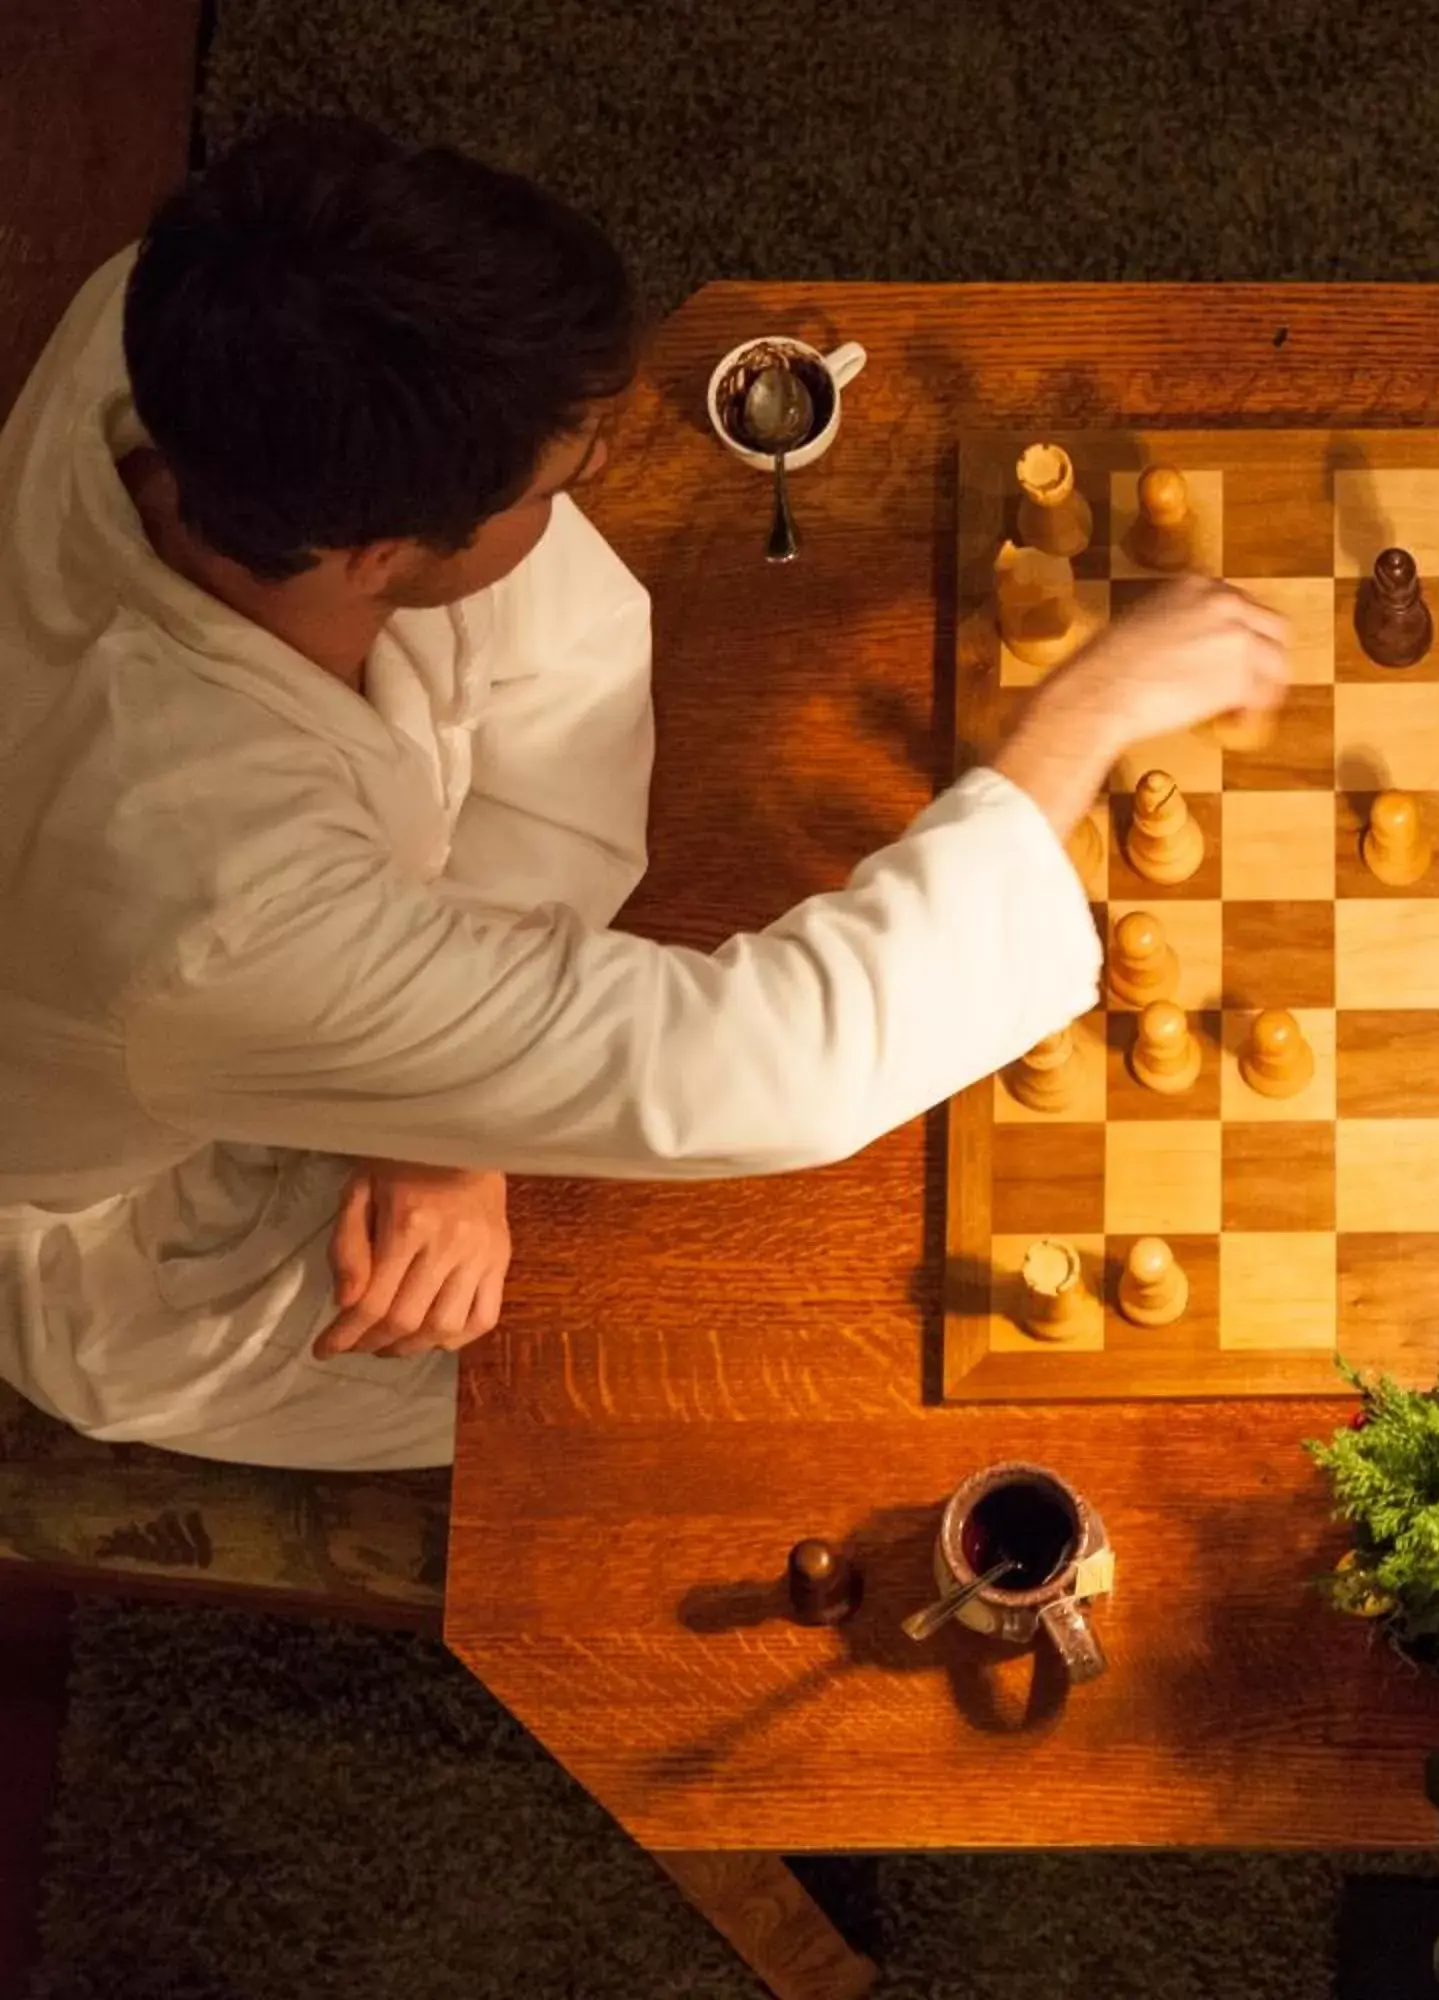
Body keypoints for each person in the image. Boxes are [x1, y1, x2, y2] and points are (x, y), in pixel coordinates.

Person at [0, 121, 1286, 1471]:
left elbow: (559, 656)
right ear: (379, 554)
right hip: (151, 1216)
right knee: (645, 1356)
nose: (597, 478)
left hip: (257, 981)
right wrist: (1072, 723)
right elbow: (775, 1067)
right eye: (564, 477)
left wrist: (442, 1100)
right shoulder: (207, 900)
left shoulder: (198, 304)